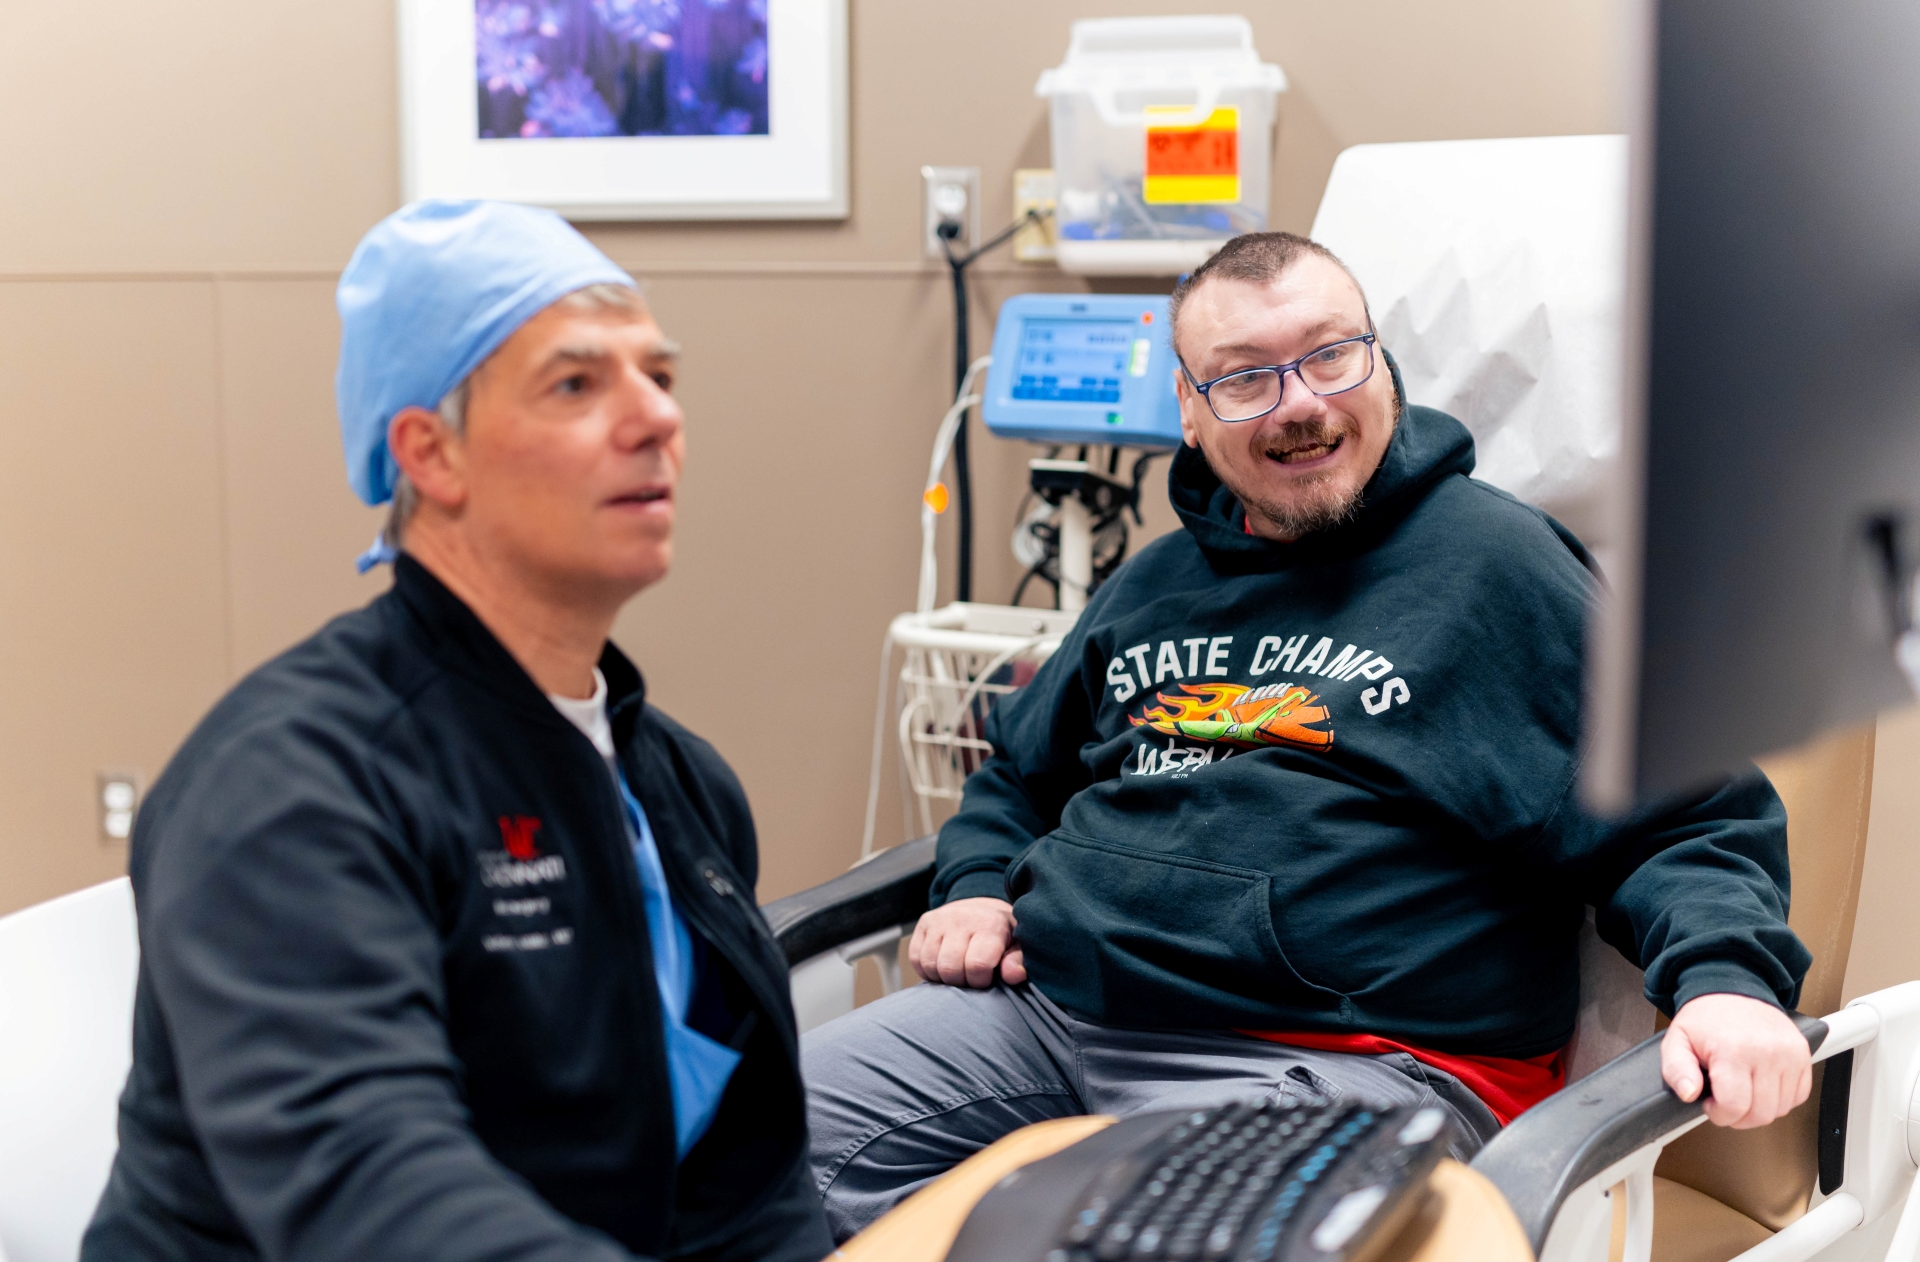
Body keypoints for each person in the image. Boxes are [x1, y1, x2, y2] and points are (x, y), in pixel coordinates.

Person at [802, 231, 1814, 1241]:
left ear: (1380, 359)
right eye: (1243, 379)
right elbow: (1019, 772)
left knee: (1134, 1238)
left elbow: (1688, 812)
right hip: (1049, 1016)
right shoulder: (1151, 586)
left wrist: (1727, 979)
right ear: (1190, 416)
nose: (1299, 402)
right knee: (725, 1144)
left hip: (1342, 1061)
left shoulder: (1500, 570)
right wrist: (977, 879)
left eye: (1330, 353)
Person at [82, 200, 833, 1262]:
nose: (655, 417)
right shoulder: (293, 783)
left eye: (658, 376)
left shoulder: (681, 787)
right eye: (577, 383)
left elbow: (742, 1187)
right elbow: (374, 1195)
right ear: (430, 453)